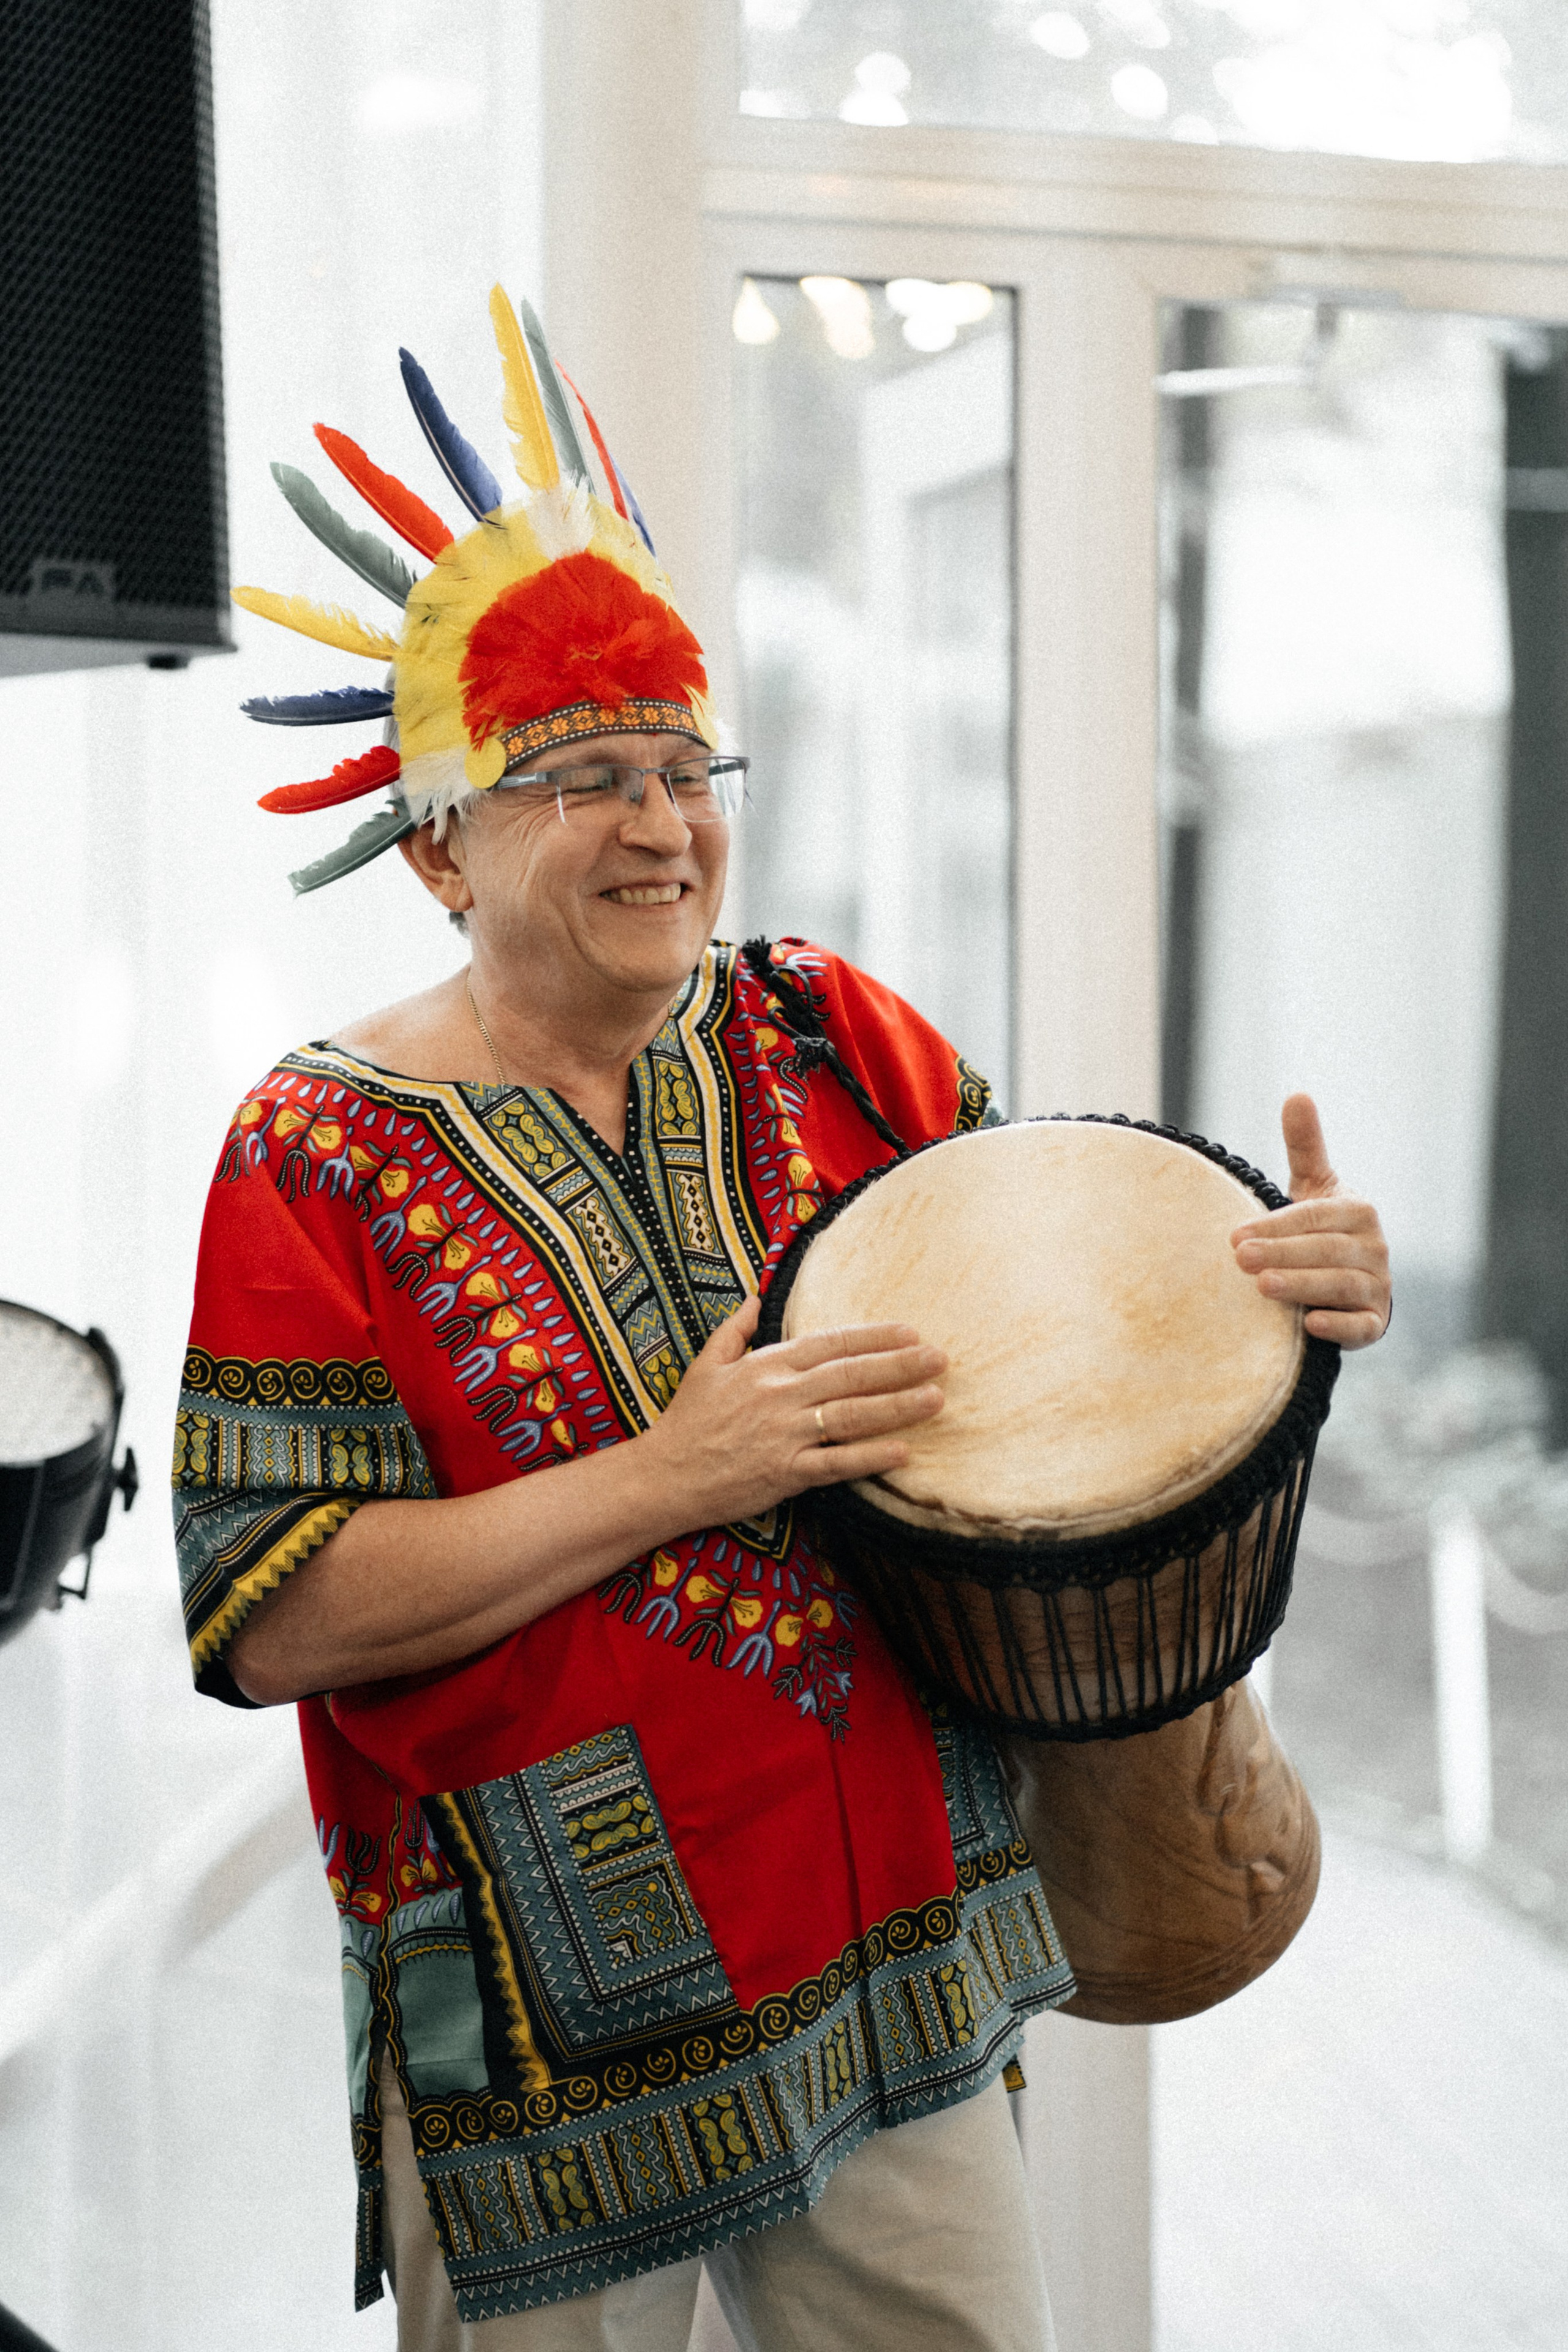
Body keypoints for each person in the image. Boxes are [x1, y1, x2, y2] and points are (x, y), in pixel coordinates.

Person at [173, 292, 1392, 2352]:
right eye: (583, 777)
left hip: (906, 1951)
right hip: (537, 2035)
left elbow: (1071, 1340)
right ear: (442, 846)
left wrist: (1284, 1294)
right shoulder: (314, 1152)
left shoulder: (833, 1033)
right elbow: (268, 1613)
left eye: (684, 765)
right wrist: (678, 1474)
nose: (663, 826)